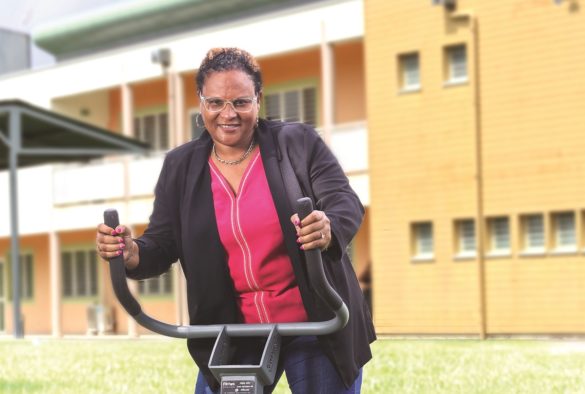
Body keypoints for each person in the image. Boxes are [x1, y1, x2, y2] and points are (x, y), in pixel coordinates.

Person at [96, 47, 375, 393]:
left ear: (258, 100)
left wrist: (328, 226)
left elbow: (344, 201)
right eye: (215, 103)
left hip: (315, 319)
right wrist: (132, 253)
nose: (228, 114)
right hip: (235, 329)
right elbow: (164, 242)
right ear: (201, 103)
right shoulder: (181, 167)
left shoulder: (297, 144)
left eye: (241, 102)